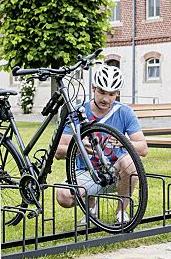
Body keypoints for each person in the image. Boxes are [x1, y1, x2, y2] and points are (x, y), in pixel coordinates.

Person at [55, 63, 148, 223]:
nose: (106, 99)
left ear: (117, 93)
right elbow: (58, 151)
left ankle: (121, 212)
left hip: (116, 173)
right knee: (63, 196)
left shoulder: (124, 112)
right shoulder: (77, 112)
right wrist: (78, 147)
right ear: (93, 88)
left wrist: (123, 141)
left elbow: (143, 148)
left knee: (130, 162)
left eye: (112, 94)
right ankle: (90, 206)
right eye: (101, 92)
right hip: (86, 172)